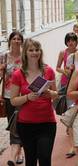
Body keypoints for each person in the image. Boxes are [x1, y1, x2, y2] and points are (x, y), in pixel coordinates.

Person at [10, 38, 58, 166]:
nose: (34, 52)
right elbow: (13, 100)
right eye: (31, 50)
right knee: (30, 160)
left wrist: (50, 94)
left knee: (45, 158)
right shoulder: (17, 74)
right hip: (26, 125)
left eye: (37, 50)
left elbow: (56, 94)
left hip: (47, 123)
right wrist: (27, 97)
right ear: (25, 52)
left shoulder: (48, 71)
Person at [0, 31, 24, 166]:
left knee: (22, 123)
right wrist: (1, 69)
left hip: (23, 96)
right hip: (9, 96)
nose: (16, 41)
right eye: (14, 38)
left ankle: (18, 152)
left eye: (18, 39)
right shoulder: (3, 57)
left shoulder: (25, 57)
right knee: (13, 123)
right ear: (10, 41)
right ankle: (17, 154)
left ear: (21, 41)